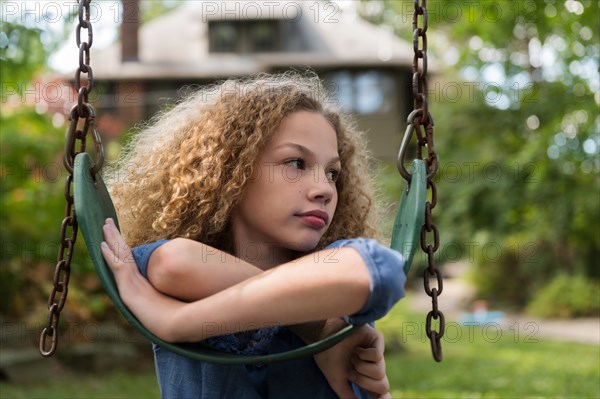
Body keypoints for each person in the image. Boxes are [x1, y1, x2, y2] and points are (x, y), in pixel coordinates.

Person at [100, 72, 406, 399]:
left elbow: (381, 270)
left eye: (332, 173)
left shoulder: (335, 291)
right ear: (233, 170)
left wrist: (174, 322)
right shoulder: (168, 275)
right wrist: (317, 328)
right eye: (296, 163)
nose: (324, 190)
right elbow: (175, 265)